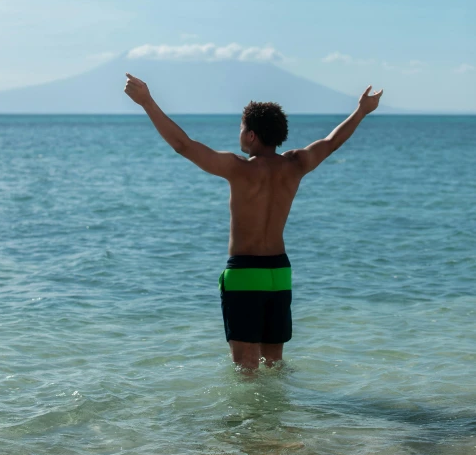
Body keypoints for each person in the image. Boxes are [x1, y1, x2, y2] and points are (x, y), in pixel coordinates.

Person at [124, 72, 383, 371]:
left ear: (251, 135)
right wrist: (362, 111)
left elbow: (183, 145)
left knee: (246, 369)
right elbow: (331, 142)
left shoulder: (238, 169)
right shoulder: (296, 164)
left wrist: (147, 102)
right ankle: (277, 418)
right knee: (273, 366)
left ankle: (248, 420)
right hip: (279, 273)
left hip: (245, 272)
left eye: (241, 128)